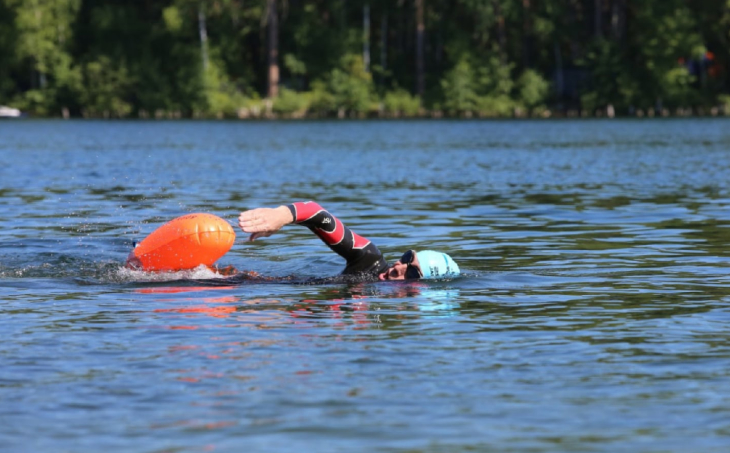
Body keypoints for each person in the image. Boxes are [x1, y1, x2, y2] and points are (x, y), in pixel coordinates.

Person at [238, 201, 460, 282]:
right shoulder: (369, 259)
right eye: (406, 258)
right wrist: (280, 217)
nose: (398, 267)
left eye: (411, 273)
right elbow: (318, 214)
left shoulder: (373, 319)